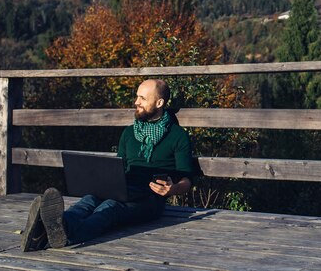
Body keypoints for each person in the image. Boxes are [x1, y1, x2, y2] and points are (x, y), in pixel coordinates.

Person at [21, 79, 195, 251]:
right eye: (137, 97)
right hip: (123, 188)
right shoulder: (129, 133)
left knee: (110, 207)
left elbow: (186, 179)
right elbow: (118, 168)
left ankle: (53, 232)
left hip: (150, 199)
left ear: (159, 102)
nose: (136, 102)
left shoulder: (178, 136)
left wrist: (172, 189)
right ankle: (52, 228)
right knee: (89, 200)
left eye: (142, 98)